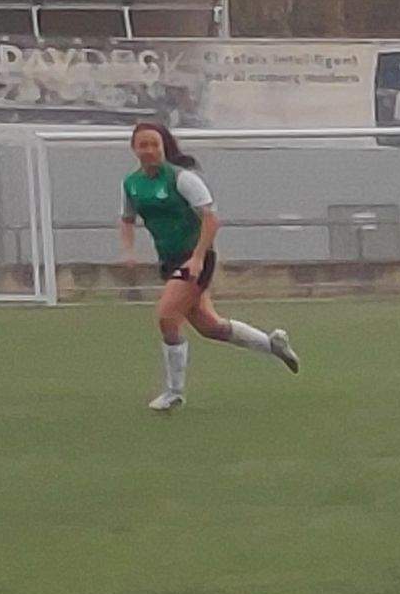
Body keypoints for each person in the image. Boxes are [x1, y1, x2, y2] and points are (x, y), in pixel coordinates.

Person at [121, 121, 298, 410]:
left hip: (194, 259)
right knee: (210, 326)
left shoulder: (181, 179)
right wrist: (128, 252)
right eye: (144, 145)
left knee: (167, 316)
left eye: (155, 144)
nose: (150, 150)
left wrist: (198, 257)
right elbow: (126, 219)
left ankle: (174, 392)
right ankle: (272, 345)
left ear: (164, 146)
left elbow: (211, 218)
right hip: (169, 260)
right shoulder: (131, 184)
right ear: (134, 149)